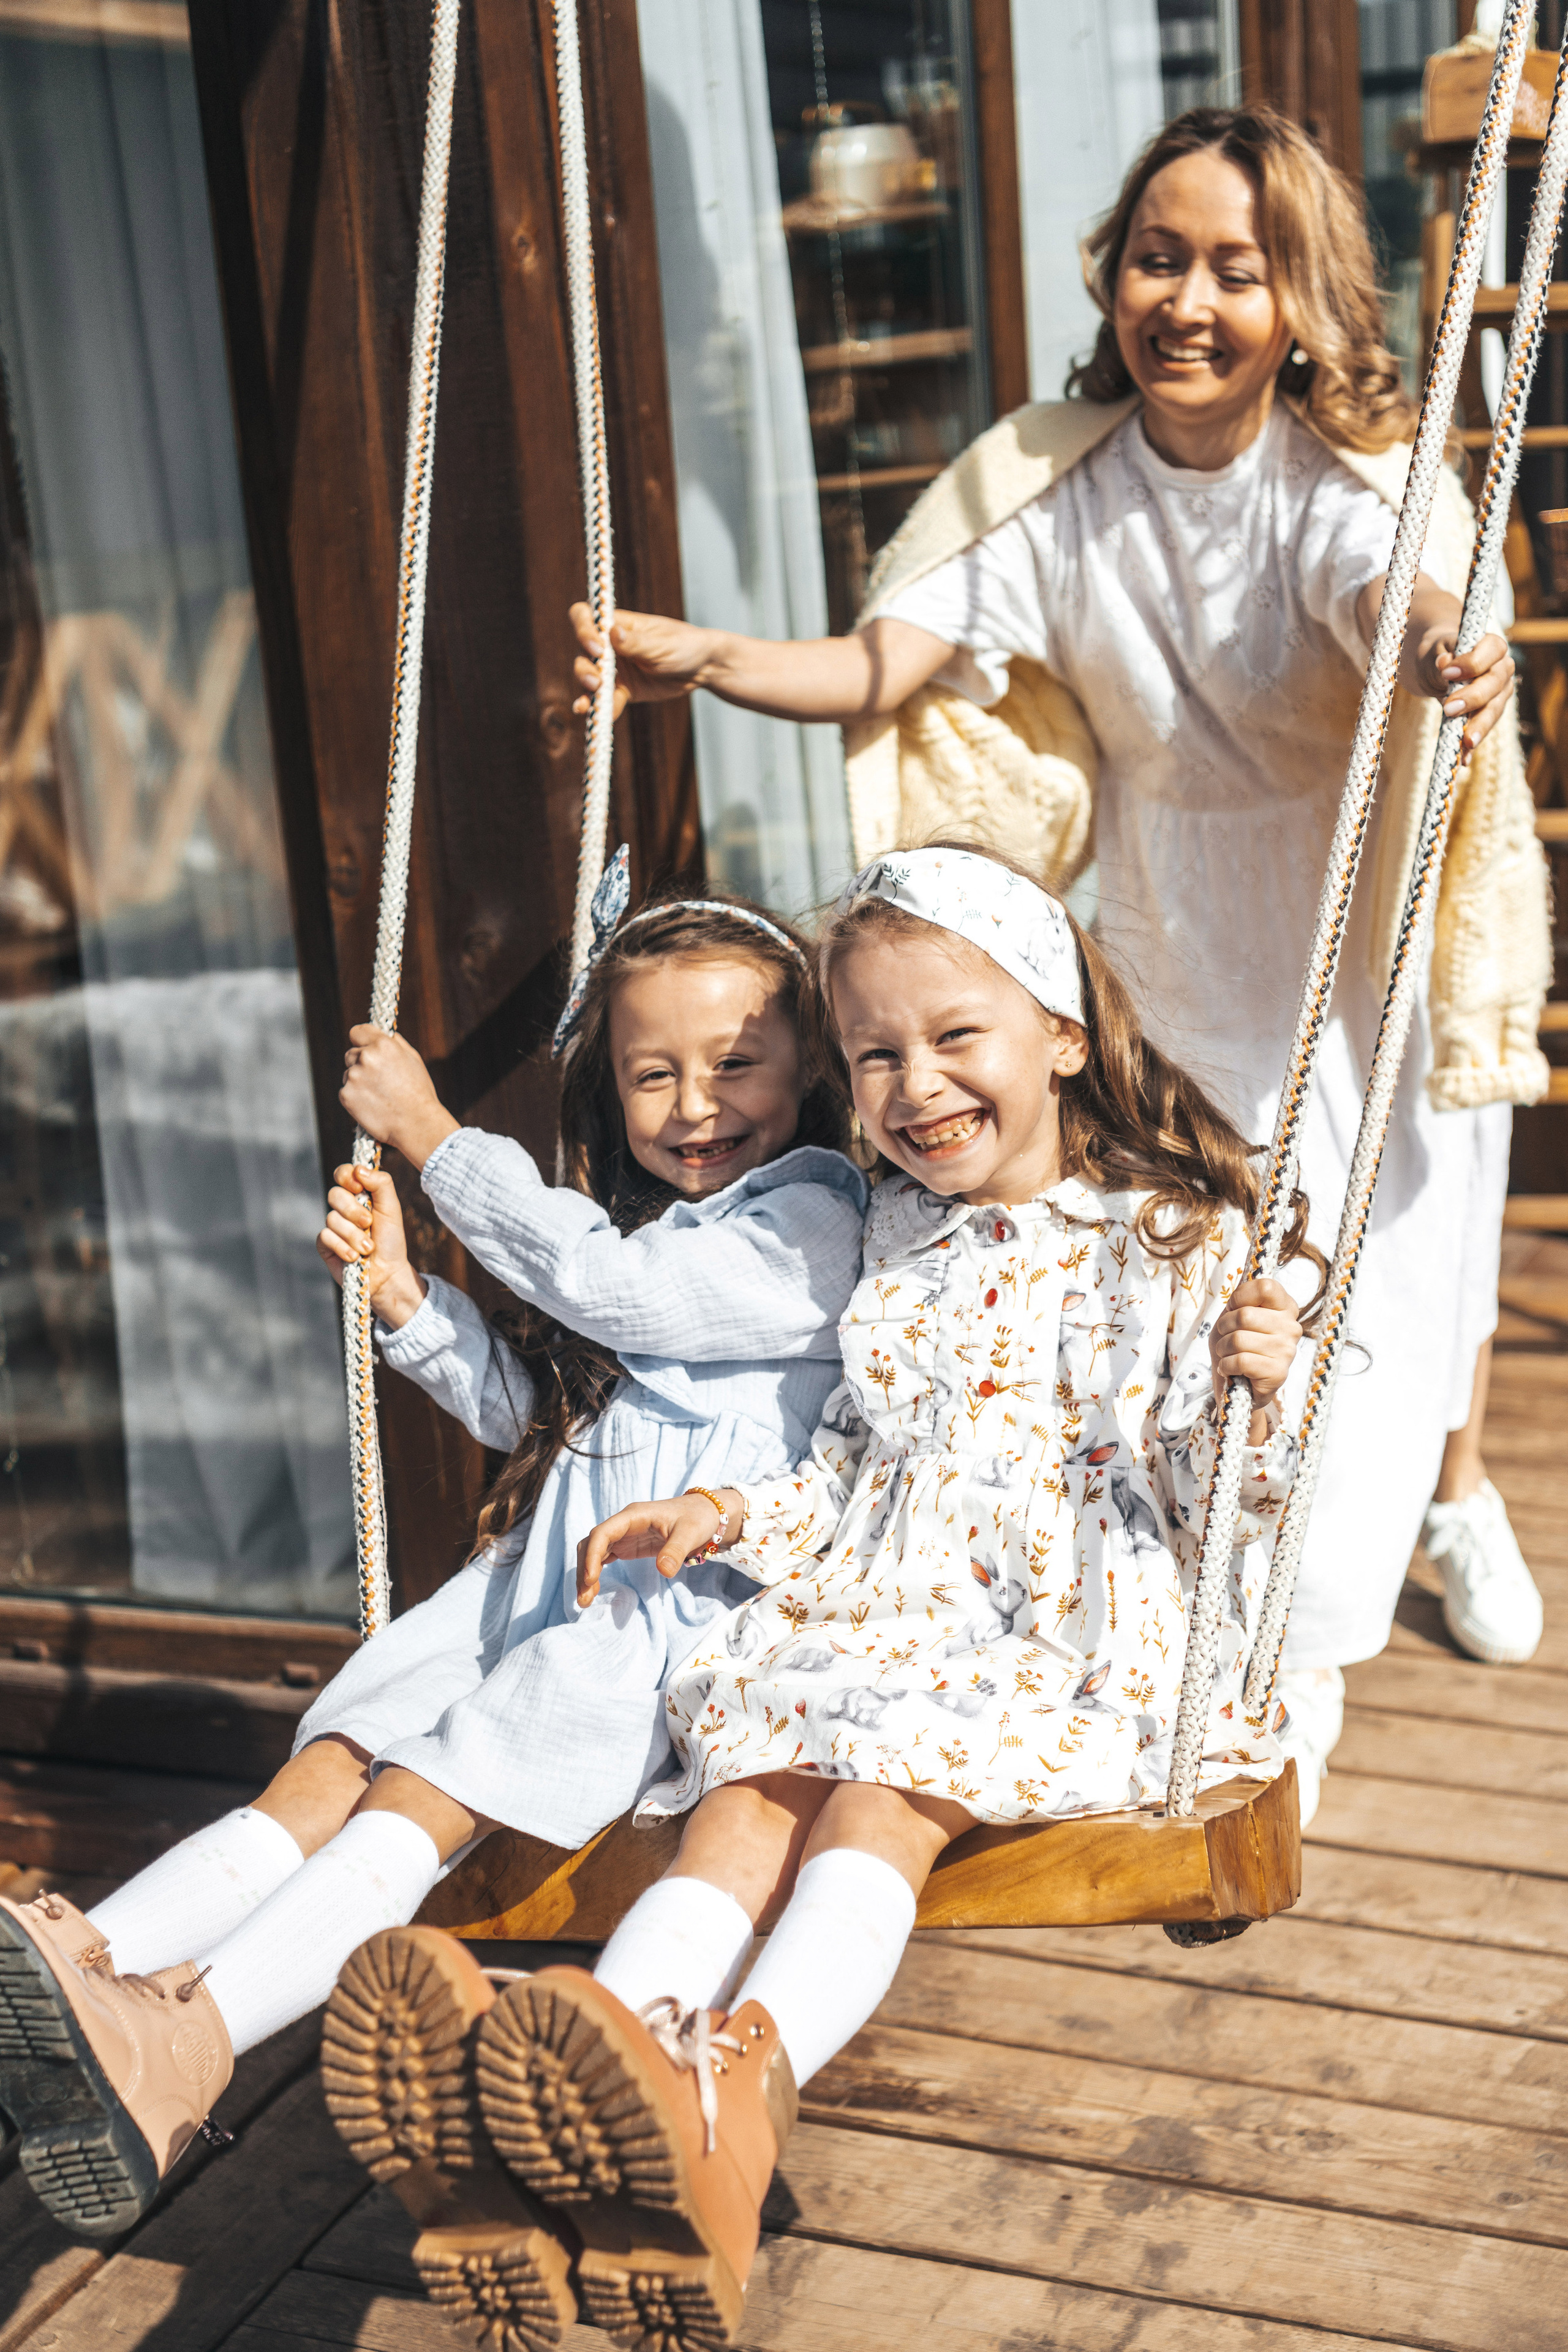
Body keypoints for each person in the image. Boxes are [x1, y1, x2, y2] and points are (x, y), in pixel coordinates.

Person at [568, 106, 1552, 1823]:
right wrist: (714, 658)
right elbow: (884, 662)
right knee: (1204, 1285)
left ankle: (1435, 1509)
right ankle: (1274, 1637)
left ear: (1301, 298)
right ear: (1112, 278)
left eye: (1236, 268)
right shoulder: (1056, 487)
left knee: (1388, 1264)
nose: (1190, 300)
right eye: (1159, 260)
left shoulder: (1340, 488)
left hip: (1342, 929)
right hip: (1166, 934)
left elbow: (1385, 599)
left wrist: (1444, 655)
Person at [322, 842, 1309, 2352]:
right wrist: (723, 1511)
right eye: (874, 1055)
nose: (916, 1085)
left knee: (871, 1807)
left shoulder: (1173, 1236)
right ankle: (607, 2098)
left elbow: (1218, 1501)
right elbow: (854, 1460)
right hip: (877, 1606)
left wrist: (1256, 1397)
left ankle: (721, 2106)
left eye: (955, 1037)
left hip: (1059, 1634)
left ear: (1060, 1033)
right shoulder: (894, 1231)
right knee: (745, 1790)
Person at [0, 865, 867, 2312]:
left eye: (735, 1064)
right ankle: (90, 1979)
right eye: (652, 1074)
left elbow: (626, 1303)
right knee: (326, 1767)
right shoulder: (642, 1232)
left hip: (650, 1623)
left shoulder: (813, 1222)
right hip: (517, 1596)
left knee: (412, 1797)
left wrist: (435, 1138)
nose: (694, 1105)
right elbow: (549, 1423)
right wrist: (411, 1296)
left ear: (812, 1071)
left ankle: (195, 2041)